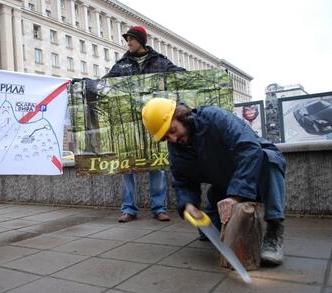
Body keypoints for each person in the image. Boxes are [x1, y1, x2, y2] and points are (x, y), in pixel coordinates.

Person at [141, 98, 286, 265]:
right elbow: (182, 181)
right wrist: (189, 205)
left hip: (257, 171)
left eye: (172, 130)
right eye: (166, 137)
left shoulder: (214, 117)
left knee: (268, 160)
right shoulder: (176, 148)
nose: (173, 139)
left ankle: (274, 230)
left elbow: (249, 149)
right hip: (226, 183)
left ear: (180, 116)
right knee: (208, 234)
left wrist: (236, 196)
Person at [102, 25, 185, 222]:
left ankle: (159, 208)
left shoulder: (160, 61)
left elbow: (180, 75)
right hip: (129, 123)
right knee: (127, 166)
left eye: (131, 39)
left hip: (155, 121)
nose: (128, 42)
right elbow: (104, 83)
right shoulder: (121, 65)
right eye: (127, 39)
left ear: (141, 40)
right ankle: (129, 209)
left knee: (156, 164)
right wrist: (82, 82)